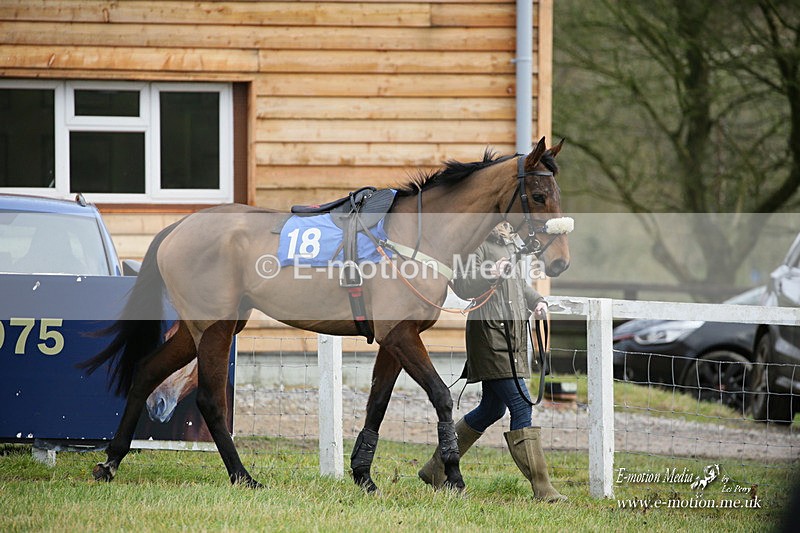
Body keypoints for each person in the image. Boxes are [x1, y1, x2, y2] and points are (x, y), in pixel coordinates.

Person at [418, 221, 566, 501]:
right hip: (490, 336)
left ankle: (436, 469)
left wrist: (537, 301)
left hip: (511, 337)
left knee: (491, 409)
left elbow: (517, 284)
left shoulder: (508, 242)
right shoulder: (476, 242)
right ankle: (543, 489)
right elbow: (463, 285)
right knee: (521, 405)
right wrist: (490, 272)